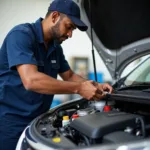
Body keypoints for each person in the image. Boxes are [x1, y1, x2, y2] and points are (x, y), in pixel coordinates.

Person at [0, 0, 113, 149]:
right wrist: (79, 88)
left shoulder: (55, 48)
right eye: (69, 27)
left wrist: (96, 85)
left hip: (39, 122)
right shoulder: (21, 35)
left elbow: (70, 76)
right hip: (11, 124)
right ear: (54, 17)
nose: (70, 34)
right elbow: (31, 80)